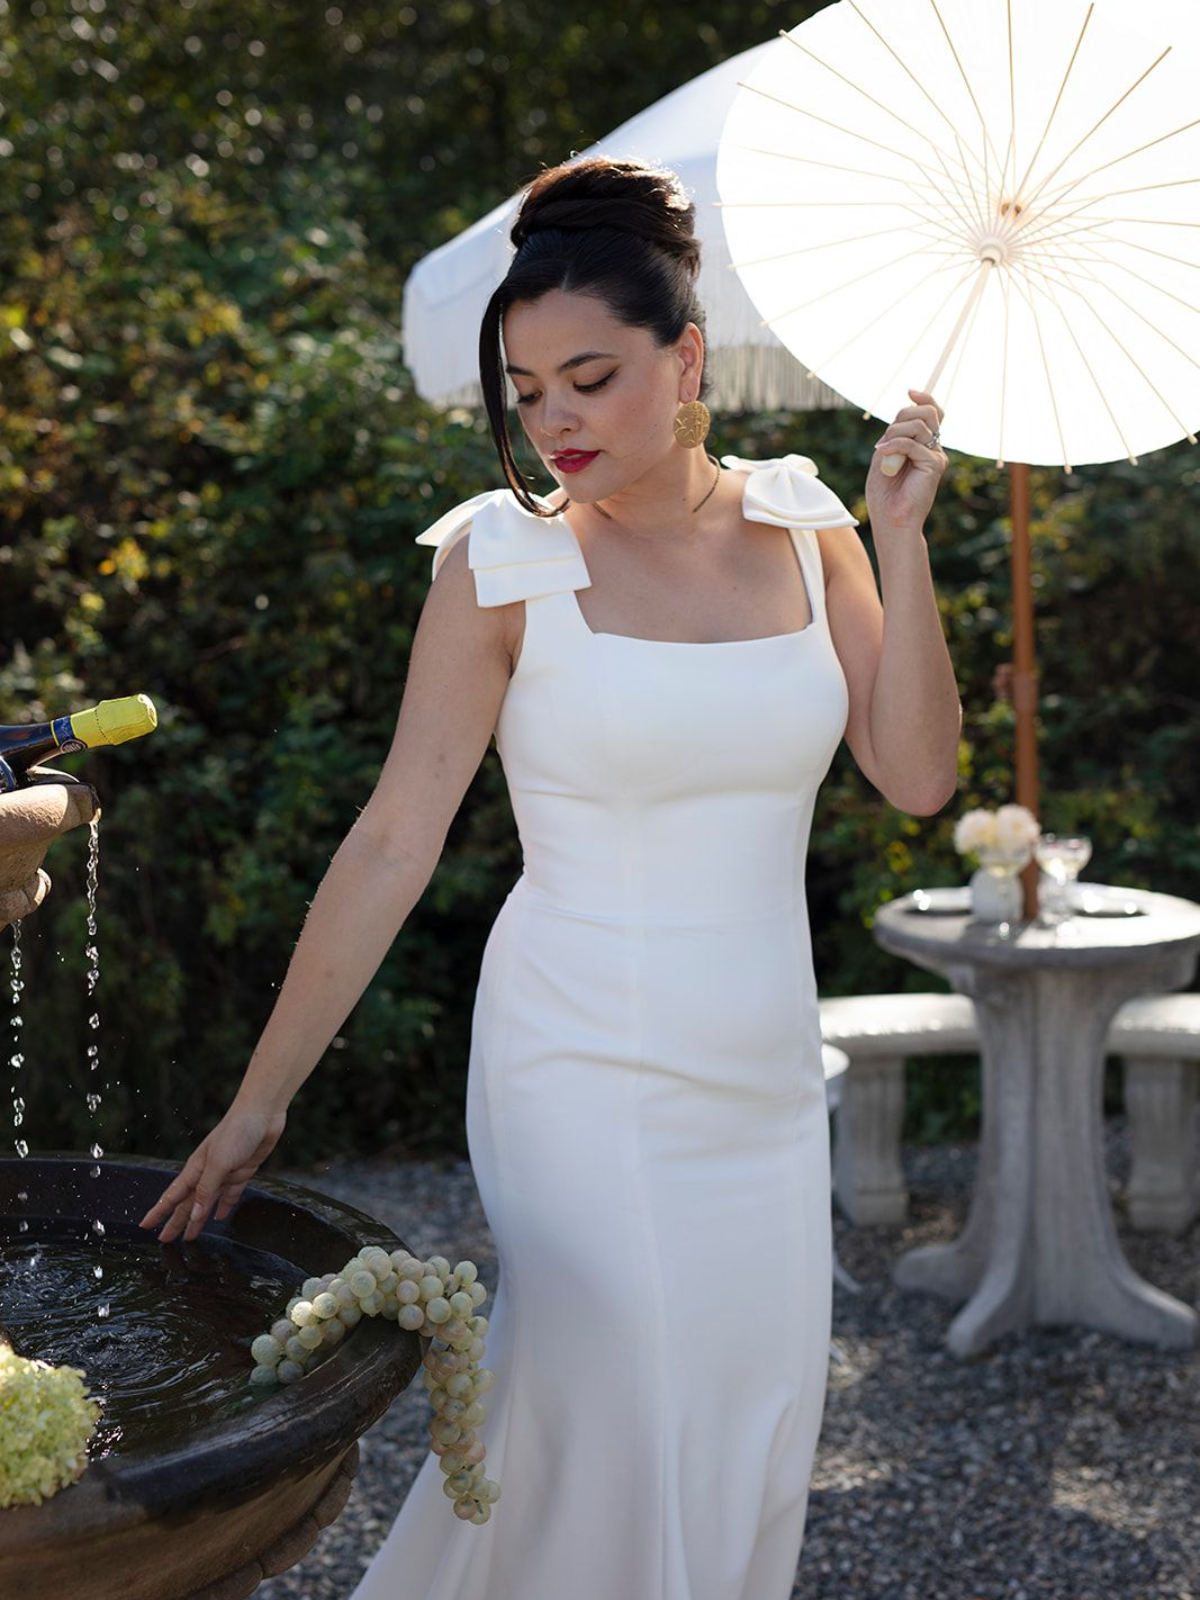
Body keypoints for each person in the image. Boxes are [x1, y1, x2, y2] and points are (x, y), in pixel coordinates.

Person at [138, 155, 960, 1598]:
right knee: (617, 1405)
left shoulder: (810, 520)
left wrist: (900, 539)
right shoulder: (500, 564)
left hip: (764, 1069)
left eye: (590, 377)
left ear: (687, 355)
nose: (555, 418)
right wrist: (262, 1098)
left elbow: (918, 775)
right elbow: (396, 839)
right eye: (528, 390)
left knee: (747, 1418)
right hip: (578, 1062)